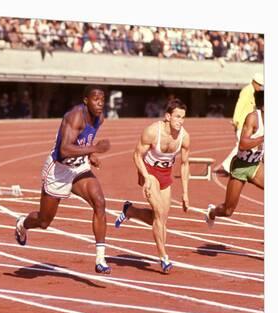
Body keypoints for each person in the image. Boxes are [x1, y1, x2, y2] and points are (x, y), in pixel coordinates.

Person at [14, 86, 112, 274]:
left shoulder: (100, 117)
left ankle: (100, 259)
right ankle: (22, 223)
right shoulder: (74, 117)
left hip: (79, 167)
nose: (100, 103)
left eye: (103, 99)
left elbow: (84, 140)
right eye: (95, 99)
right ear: (85, 100)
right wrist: (94, 149)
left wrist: (89, 154)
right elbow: (64, 150)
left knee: (100, 202)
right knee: (44, 221)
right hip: (58, 170)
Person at [114, 98, 191, 274]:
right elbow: (136, 155)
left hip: (165, 176)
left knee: (161, 218)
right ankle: (164, 257)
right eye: (177, 117)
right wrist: (146, 176)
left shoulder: (184, 137)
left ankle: (130, 211)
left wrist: (185, 193)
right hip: (149, 173)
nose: (181, 121)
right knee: (159, 213)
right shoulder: (152, 132)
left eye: (183, 117)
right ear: (167, 117)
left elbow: (185, 164)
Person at [206, 90, 264, 226]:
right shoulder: (253, 118)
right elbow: (243, 145)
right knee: (228, 210)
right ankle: (212, 212)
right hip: (241, 167)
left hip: (256, 165)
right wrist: (263, 138)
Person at [218, 72, 264, 174]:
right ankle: (227, 165)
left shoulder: (250, 92)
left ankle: (228, 165)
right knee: (241, 145)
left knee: (240, 145)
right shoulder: (247, 91)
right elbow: (240, 106)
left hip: (245, 123)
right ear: (254, 82)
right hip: (242, 123)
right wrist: (236, 121)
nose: (260, 88)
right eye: (260, 85)